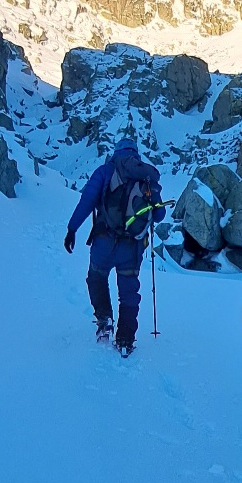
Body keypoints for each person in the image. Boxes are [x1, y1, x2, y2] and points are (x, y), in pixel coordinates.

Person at [64, 137, 166, 353]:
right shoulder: (146, 176)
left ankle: (104, 320)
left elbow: (87, 201)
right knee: (129, 291)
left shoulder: (105, 171)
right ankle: (126, 339)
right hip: (133, 247)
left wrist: (72, 229)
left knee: (96, 277)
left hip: (104, 241)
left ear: (116, 151)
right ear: (135, 153)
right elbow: (159, 214)